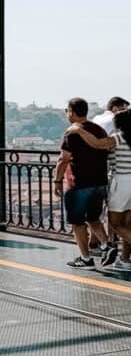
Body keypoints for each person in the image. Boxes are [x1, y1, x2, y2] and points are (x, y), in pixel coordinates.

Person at [67, 108, 131, 270]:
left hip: (121, 182)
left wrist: (79, 130)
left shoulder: (118, 138)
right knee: (128, 223)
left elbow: (97, 144)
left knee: (116, 224)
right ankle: (124, 260)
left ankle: (120, 257)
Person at [54, 98, 110, 268]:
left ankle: (86, 258)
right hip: (99, 181)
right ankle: (106, 245)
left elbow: (64, 159)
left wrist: (57, 180)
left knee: (77, 222)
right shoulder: (99, 130)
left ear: (71, 111)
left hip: (79, 183)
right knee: (93, 217)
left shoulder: (72, 132)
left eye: (67, 110)